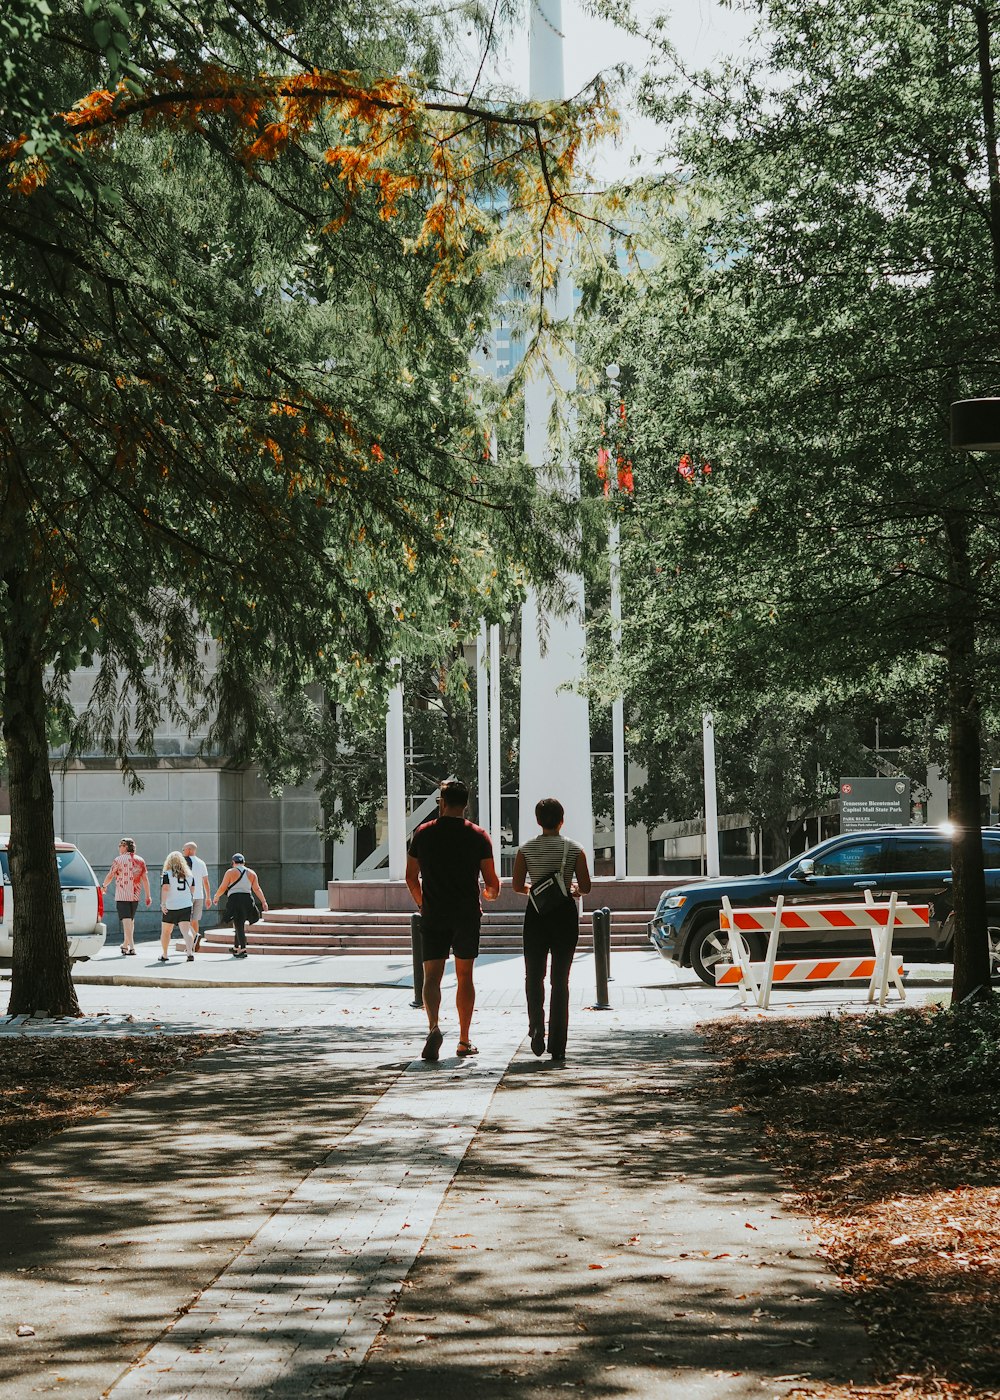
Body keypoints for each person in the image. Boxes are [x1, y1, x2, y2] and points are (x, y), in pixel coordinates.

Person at [406, 778, 500, 1062]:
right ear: (466, 804)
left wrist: (423, 903)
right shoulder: (478, 836)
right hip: (466, 915)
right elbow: (492, 883)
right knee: (464, 977)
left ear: (442, 803)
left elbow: (411, 878)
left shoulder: (422, 833)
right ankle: (463, 1040)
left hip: (434, 913)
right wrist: (488, 893)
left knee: (431, 977)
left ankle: (433, 1027)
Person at [512, 797, 592, 1062]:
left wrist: (535, 891)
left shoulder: (526, 849)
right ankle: (558, 1044)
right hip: (564, 916)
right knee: (561, 980)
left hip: (536, 915)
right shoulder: (574, 848)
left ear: (537, 820)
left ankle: (536, 1026)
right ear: (562, 820)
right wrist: (570, 890)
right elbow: (586, 886)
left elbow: (516, 885)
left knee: (533, 975)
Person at [102, 838, 152, 956]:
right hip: (135, 895)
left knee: (126, 921)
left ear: (125, 847)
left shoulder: (118, 860)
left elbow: (110, 875)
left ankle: (132, 947)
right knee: (130, 921)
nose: (119, 847)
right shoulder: (140, 860)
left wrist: (104, 885)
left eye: (120, 845)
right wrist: (148, 895)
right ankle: (125, 945)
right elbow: (145, 879)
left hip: (122, 894)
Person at [214, 853, 268, 959]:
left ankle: (243, 949)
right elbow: (257, 889)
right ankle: (236, 947)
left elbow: (223, 887)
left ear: (233, 862)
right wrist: (263, 901)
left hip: (235, 899)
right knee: (239, 924)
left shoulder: (230, 872)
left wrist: (216, 897)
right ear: (244, 862)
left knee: (238, 925)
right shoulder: (252, 873)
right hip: (248, 899)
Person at [159, 850, 196, 963]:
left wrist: (163, 903)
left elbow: (165, 888)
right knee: (186, 931)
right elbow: (192, 890)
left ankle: (165, 954)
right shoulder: (189, 874)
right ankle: (189, 952)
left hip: (171, 906)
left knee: (166, 931)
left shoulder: (167, 874)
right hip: (185, 905)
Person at [182, 841, 212, 949]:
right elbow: (206, 881)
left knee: (184, 921)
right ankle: (194, 943)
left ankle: (192, 939)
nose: (183, 851)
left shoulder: (183, 862)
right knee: (195, 920)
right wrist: (208, 897)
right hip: (199, 895)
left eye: (184, 849)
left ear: (189, 850)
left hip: (187, 895)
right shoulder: (201, 862)